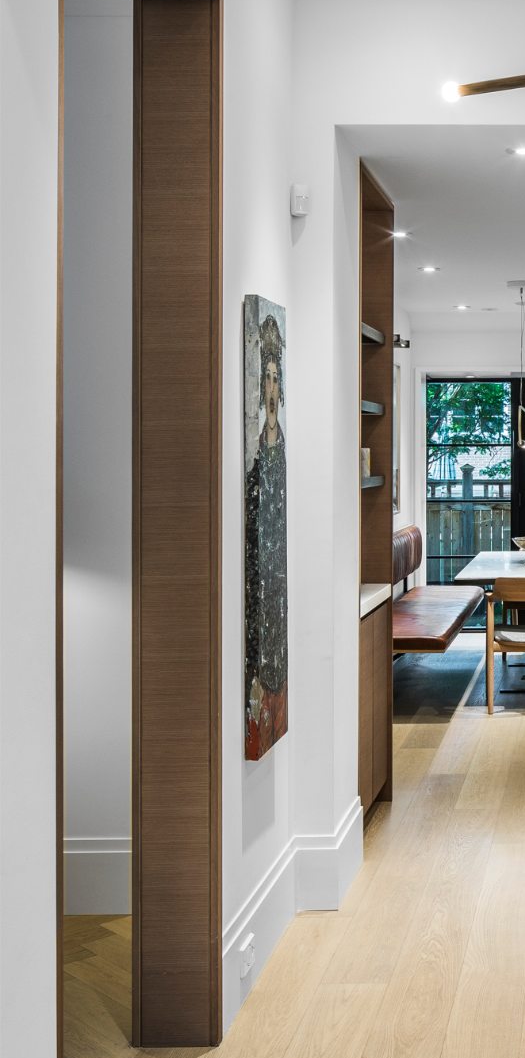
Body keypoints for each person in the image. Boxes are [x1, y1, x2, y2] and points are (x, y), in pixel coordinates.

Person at [245, 311, 288, 758]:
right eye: (267, 378)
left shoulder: (284, 453)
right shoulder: (255, 456)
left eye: (277, 378)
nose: (272, 389)